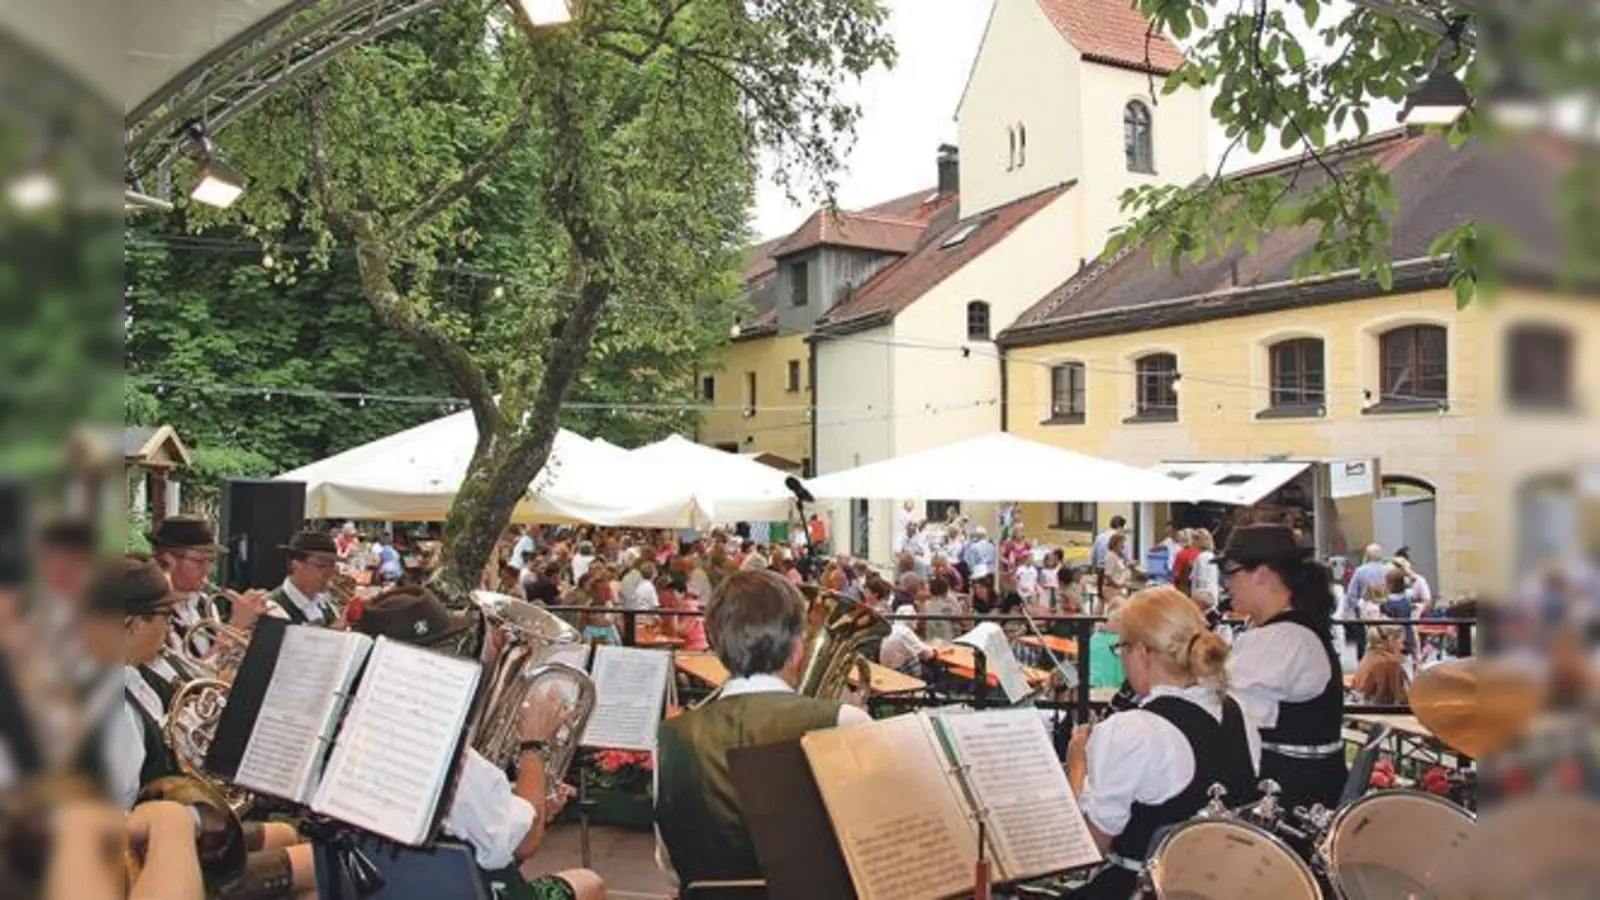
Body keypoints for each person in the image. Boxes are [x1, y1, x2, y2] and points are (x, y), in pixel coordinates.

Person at [345, 586, 602, 900]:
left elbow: (477, 829)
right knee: (589, 883)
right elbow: (524, 845)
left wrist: (525, 803)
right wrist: (533, 744)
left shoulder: (347, 739)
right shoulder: (455, 763)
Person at [655, 569, 871, 886]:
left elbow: (671, 867)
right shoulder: (845, 723)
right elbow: (875, 850)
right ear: (798, 649)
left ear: (716, 648)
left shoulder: (672, 737)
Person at [1066, 586, 1259, 899]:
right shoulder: (1238, 710)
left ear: (1142, 652)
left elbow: (1088, 847)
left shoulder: (1132, 731)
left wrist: (1078, 768)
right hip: (1220, 887)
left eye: (1122, 648)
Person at [1218, 524, 1348, 811]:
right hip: (1306, 788)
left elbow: (1229, 715)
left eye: (1231, 572)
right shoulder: (1288, 631)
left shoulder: (1284, 639)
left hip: (1287, 799)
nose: (1226, 583)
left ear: (1262, 573)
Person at [265, 531, 342, 626]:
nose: (329, 573)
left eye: (332, 565)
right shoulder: (273, 608)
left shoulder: (327, 605)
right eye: (322, 565)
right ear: (296, 565)